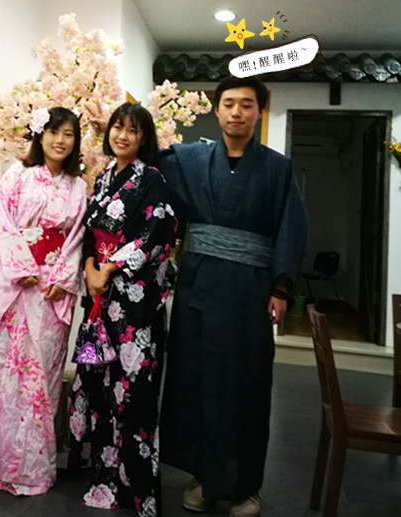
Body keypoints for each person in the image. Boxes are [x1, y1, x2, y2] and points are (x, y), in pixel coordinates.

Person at [157, 77, 308, 517]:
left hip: (250, 290)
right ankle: (203, 477)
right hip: (199, 287)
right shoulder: (190, 159)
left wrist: (280, 287)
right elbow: (148, 162)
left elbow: (292, 225)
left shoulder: (278, 168)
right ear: (216, 109)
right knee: (195, 380)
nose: (236, 112)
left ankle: (244, 487)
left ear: (260, 110)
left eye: (246, 104)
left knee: (246, 385)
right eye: (228, 103)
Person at [68, 102, 177, 517]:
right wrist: (91, 269)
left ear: (143, 138)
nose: (123, 136)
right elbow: (88, 234)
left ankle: (138, 490)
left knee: (134, 395)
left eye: (133, 130)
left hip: (135, 309)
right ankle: (103, 479)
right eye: (118, 127)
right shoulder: (102, 178)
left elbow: (157, 234)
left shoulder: (152, 180)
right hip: (100, 302)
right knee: (99, 389)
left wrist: (110, 267)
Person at [0, 107, 87, 495]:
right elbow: (1, 226)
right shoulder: (17, 176)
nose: (60, 140)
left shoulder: (78, 187)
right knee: (8, 372)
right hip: (16, 287)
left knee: (44, 377)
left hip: (51, 291)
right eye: (54, 132)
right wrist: (20, 267)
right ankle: (0, 462)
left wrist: (63, 277)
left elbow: (77, 239)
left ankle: (36, 468)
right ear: (40, 135)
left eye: (68, 134)